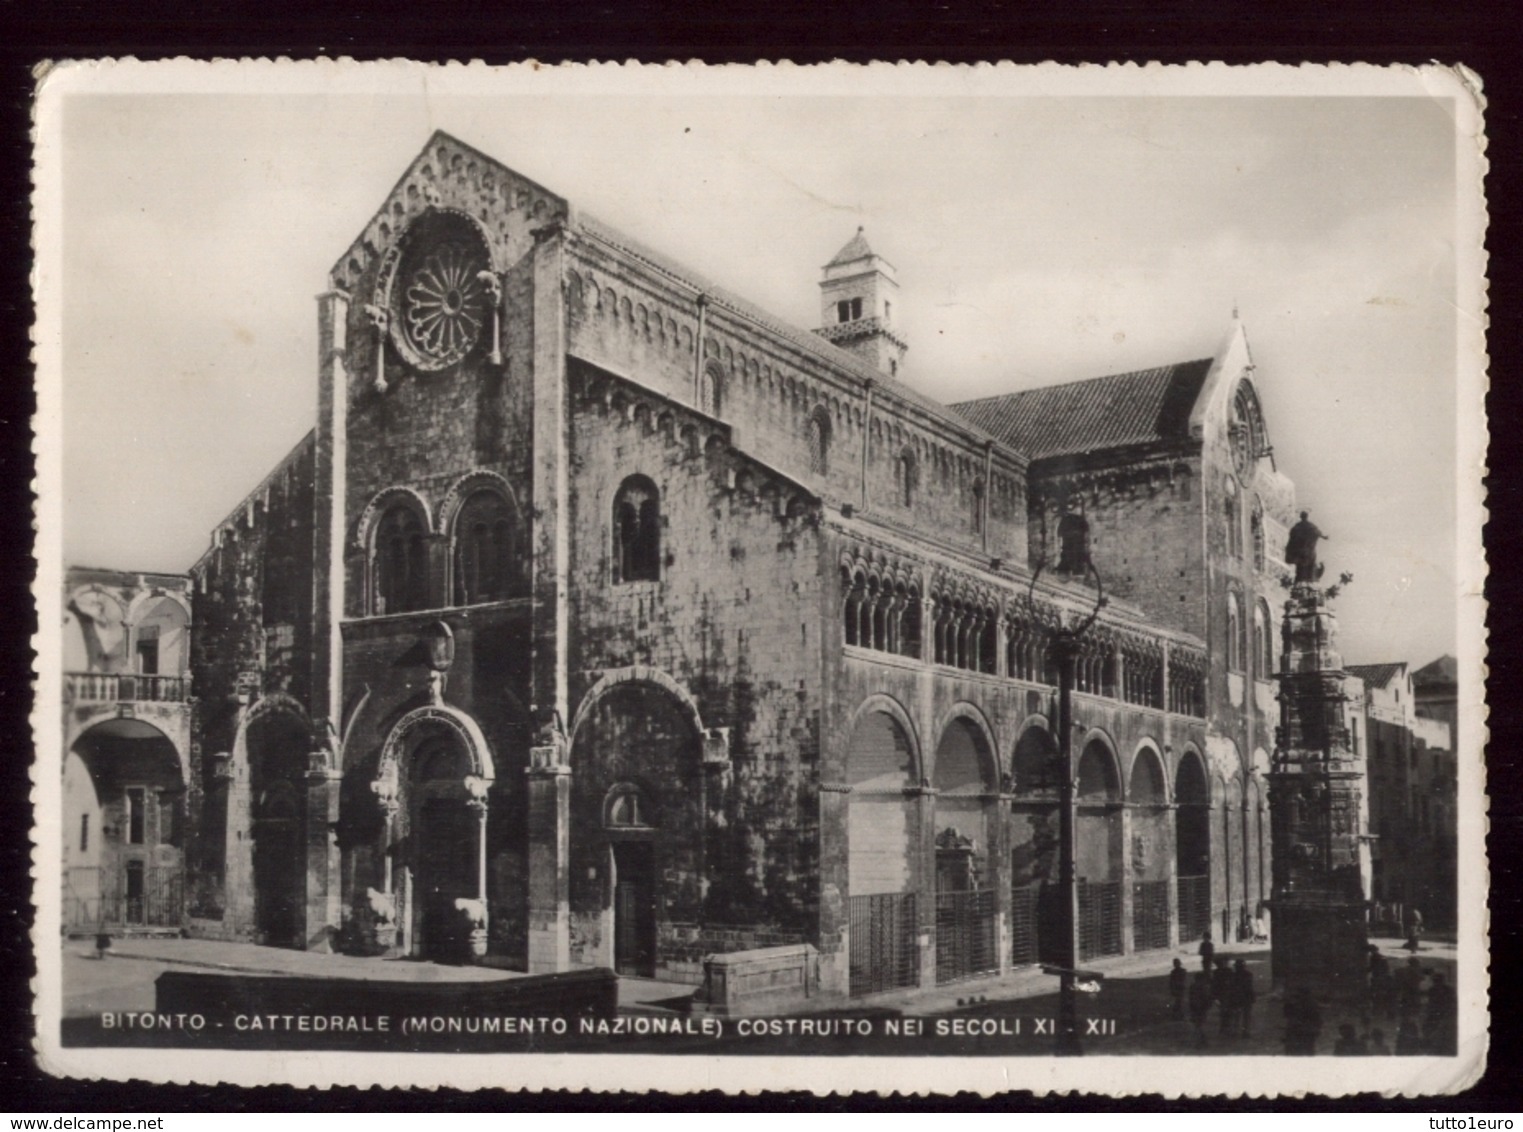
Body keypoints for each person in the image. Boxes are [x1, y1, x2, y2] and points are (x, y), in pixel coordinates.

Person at [1284, 510, 1327, 584]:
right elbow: (1317, 532)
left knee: (1301, 568)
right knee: (1306, 567)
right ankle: (1306, 581)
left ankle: (1302, 582)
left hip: (1301, 551)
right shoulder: (1310, 526)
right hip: (1308, 551)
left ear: (1301, 517)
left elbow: (1292, 536)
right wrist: (1323, 536)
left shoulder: (1297, 526)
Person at [1283, 986, 1322, 1055]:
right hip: (1303, 1031)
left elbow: (1288, 1016)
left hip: (1301, 1031)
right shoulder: (1310, 1003)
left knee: (1299, 1050)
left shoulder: (1306, 1004)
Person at [1188, 968, 1214, 1049]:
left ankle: (1201, 1041)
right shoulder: (1204, 987)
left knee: (1197, 1025)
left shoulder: (1192, 986)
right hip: (1201, 1008)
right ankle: (1202, 1041)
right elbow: (1207, 998)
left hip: (1195, 1008)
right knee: (1200, 1025)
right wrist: (1208, 1005)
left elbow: (1191, 998)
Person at [1234, 957, 1257, 1037]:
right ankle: (1245, 1031)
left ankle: (1236, 1031)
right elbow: (1250, 987)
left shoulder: (1233, 975)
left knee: (1237, 1015)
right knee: (1246, 1016)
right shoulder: (1248, 974)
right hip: (1246, 997)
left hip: (1237, 997)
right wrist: (1253, 996)